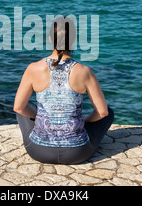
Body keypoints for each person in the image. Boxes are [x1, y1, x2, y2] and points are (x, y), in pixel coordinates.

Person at [13, 16, 114, 164]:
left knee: (23, 109)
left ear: (50, 38)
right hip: (77, 152)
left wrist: (40, 117)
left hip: (39, 151)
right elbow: (102, 112)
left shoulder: (33, 69)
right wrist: (84, 121)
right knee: (108, 112)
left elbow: (18, 107)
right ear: (73, 40)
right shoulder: (84, 71)